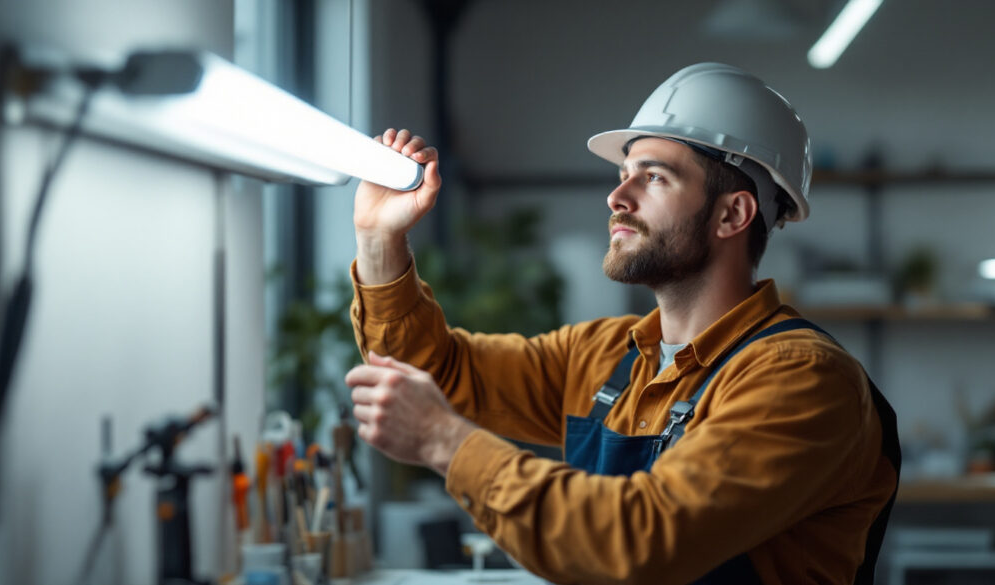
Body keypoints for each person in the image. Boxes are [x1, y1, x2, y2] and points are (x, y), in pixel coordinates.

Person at [344, 63, 900, 585]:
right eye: (623, 173)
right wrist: (378, 240)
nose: (617, 197)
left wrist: (445, 441)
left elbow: (643, 542)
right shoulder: (604, 356)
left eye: (653, 178)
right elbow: (431, 375)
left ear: (733, 214)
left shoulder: (800, 379)